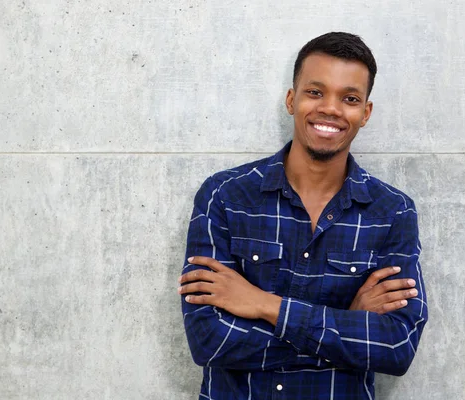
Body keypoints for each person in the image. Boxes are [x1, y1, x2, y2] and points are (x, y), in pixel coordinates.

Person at [178, 32, 428, 399]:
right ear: (291, 100)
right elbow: (209, 341)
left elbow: (395, 347)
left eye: (350, 98)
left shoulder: (392, 212)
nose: (330, 108)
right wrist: (348, 322)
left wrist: (264, 305)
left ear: (365, 113)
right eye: (315, 92)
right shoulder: (226, 195)